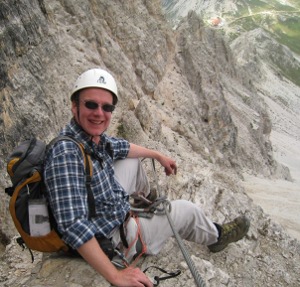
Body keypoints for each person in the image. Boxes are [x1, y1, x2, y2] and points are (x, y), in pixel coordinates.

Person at [44, 68, 250, 287]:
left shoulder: (87, 138)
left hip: (101, 208)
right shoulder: (66, 154)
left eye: (107, 107)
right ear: (74, 106)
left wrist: (157, 155)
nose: (99, 113)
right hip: (111, 237)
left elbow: (122, 147)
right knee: (186, 210)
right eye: (91, 104)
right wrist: (115, 276)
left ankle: (147, 204)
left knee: (131, 160)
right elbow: (74, 226)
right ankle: (216, 237)